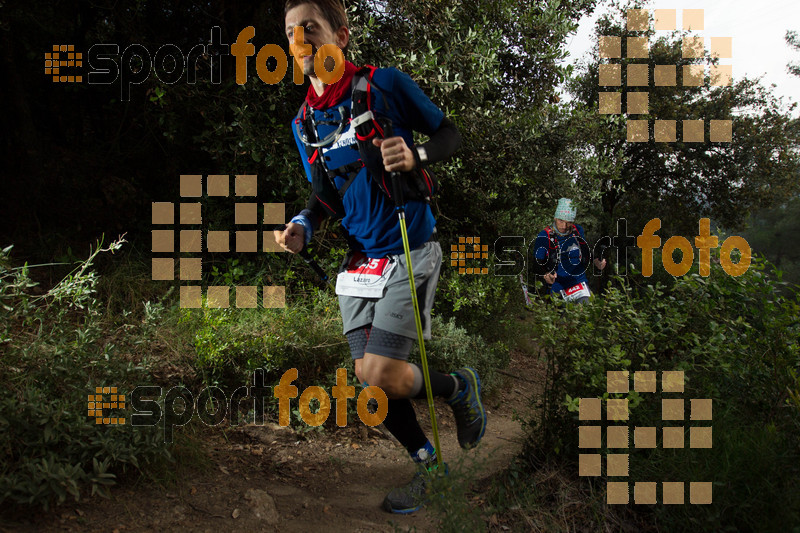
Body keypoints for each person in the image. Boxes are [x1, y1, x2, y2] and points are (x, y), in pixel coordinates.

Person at [273, 0, 487, 514]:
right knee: (370, 384)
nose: (300, 41)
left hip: (410, 248)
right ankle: (430, 466)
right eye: (290, 33)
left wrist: (418, 155)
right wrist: (303, 226)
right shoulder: (304, 123)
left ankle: (459, 388)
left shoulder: (383, 85)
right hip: (361, 266)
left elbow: (450, 132)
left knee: (381, 374)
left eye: (311, 28)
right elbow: (323, 195)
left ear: (341, 36)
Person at [532, 198, 606, 304]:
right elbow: (536, 263)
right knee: (561, 318)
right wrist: (546, 274)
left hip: (578, 282)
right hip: (557, 285)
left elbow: (585, 249)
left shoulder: (577, 230)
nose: (564, 226)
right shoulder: (544, 235)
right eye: (560, 221)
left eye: (568, 222)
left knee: (585, 312)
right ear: (555, 218)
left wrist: (596, 261)